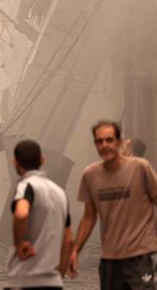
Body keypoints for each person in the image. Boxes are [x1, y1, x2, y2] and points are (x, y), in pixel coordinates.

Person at [70, 121, 157, 289]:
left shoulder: (142, 170)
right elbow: (89, 217)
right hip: (110, 258)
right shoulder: (93, 174)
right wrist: (76, 250)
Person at [6, 139, 72, 290]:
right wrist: (59, 274)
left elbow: (21, 214)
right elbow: (68, 240)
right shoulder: (59, 192)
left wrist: (19, 243)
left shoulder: (26, 186)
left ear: (15, 163)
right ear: (42, 160)